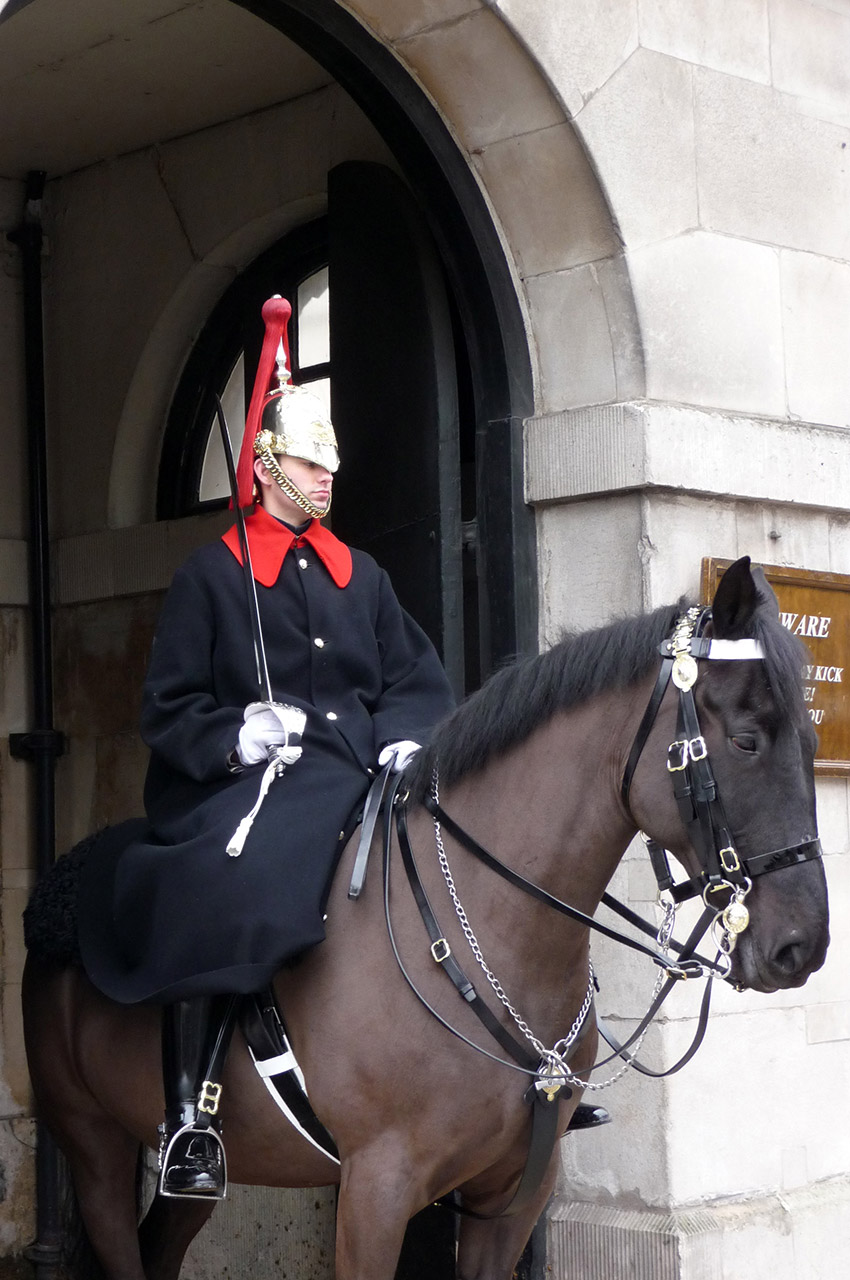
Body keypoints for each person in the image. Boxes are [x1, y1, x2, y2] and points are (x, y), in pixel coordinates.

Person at [77, 296, 456, 1198]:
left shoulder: (359, 575)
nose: (325, 478)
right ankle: (191, 1116)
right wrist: (234, 735)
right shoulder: (213, 575)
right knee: (229, 884)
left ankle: (502, 1077)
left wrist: (407, 740)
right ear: (265, 464)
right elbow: (166, 707)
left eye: (330, 465)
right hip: (254, 785)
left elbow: (413, 676)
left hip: (364, 774)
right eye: (306, 462)